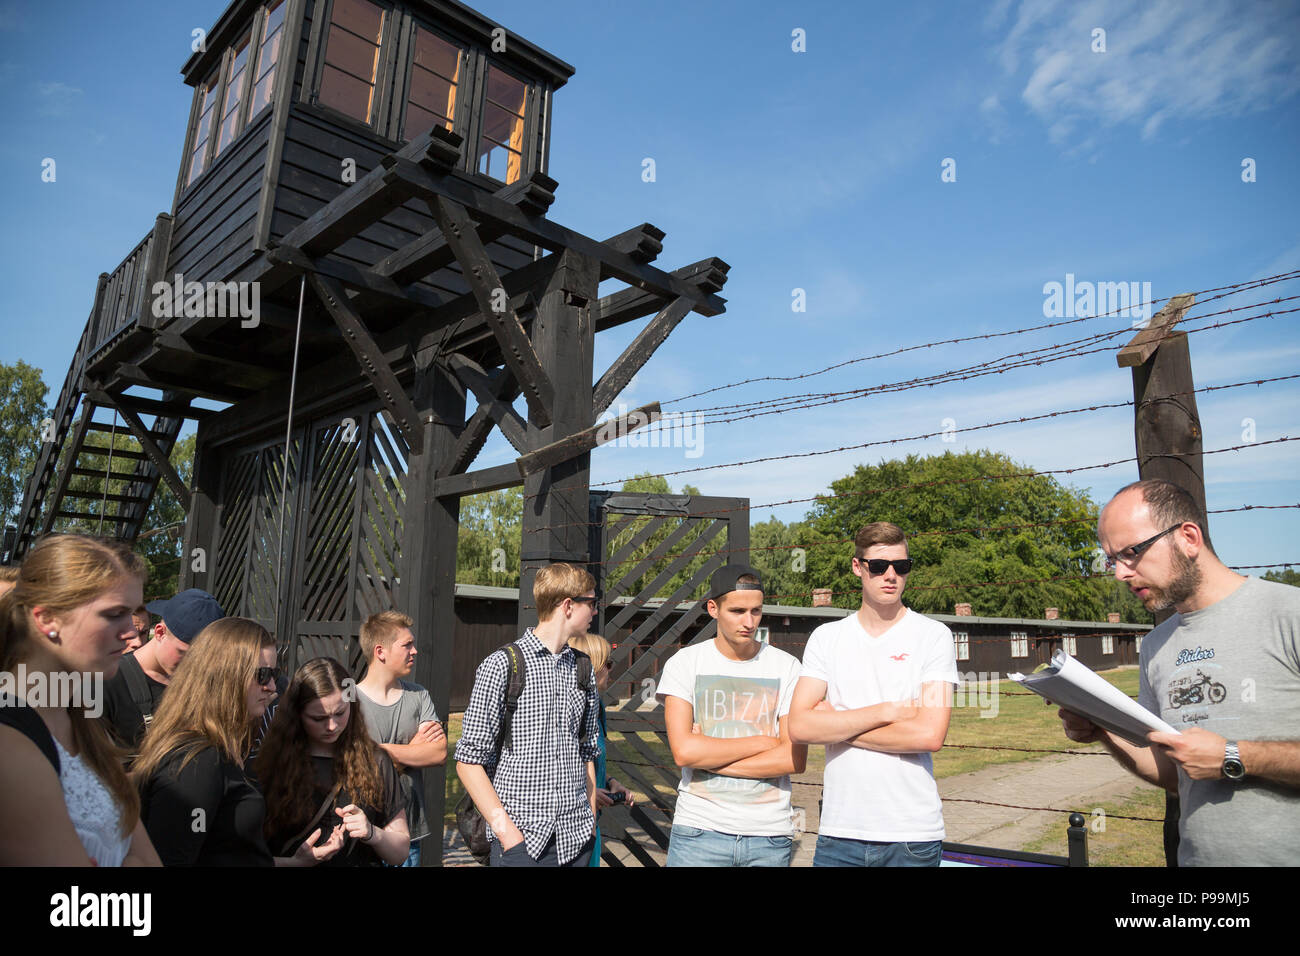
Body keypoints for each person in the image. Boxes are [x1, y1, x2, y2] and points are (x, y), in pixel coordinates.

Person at [1059, 479, 1300, 866]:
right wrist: (1102, 731)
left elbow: (1217, 759)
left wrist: (1234, 756)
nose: (1120, 573)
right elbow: (1174, 774)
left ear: (1188, 537)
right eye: (1111, 560)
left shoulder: (1289, 614)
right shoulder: (1156, 646)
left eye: (1131, 552)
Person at [789, 522, 960, 867]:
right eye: (879, 566)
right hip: (840, 833)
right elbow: (800, 727)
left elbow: (929, 735)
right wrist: (886, 711)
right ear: (858, 567)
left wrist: (836, 724)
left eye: (902, 566)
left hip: (911, 835)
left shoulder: (933, 635)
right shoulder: (827, 637)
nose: (891, 575)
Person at [0, 534, 160, 866]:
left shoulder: (82, 721)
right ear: (47, 619)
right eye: (114, 613)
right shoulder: (9, 740)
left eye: (133, 613)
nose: (131, 631)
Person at [655, 566, 805, 867]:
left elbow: (793, 759)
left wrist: (708, 752)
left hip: (769, 835)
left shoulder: (787, 667)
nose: (748, 622)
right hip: (699, 831)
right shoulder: (685, 663)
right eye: (737, 611)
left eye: (756, 611)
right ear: (713, 608)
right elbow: (684, 753)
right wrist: (765, 741)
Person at [455, 562, 602, 867]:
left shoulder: (584, 667)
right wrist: (508, 837)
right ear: (568, 606)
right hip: (521, 844)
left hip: (575, 840)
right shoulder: (502, 665)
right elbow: (469, 762)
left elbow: (587, 751)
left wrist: (589, 822)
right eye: (592, 602)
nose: (595, 611)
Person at [133, 617, 287, 866]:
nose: (272, 687)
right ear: (226, 676)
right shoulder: (199, 760)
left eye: (275, 675)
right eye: (262, 675)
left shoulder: (221, 746)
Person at [258, 657, 410, 867]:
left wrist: (372, 832)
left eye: (340, 713)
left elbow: (401, 851)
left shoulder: (375, 761)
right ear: (297, 715)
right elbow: (249, 855)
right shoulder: (275, 762)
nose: (332, 726)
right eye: (318, 718)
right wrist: (295, 862)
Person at [355, 609, 447, 868]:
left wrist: (378, 751)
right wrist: (411, 750)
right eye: (407, 645)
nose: (415, 651)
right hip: (364, 830)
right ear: (380, 651)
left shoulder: (418, 696)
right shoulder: (348, 701)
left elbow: (438, 753)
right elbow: (353, 766)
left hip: (409, 832)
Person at [102, 588, 225, 751]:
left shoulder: (206, 684)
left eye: (203, 657)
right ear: (160, 632)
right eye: (184, 653)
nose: (193, 664)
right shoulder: (106, 680)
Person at [568, 631, 635, 867]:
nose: (611, 670)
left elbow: (588, 759)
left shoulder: (597, 706)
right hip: (571, 829)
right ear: (592, 667)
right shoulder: (572, 709)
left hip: (591, 821)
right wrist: (588, 794)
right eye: (607, 664)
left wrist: (610, 781)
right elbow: (559, 763)